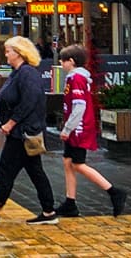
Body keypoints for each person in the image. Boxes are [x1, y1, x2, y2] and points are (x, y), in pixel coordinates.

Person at [0, 37, 59, 225]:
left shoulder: (27, 73)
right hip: (23, 132)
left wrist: (11, 123)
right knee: (35, 171)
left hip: (22, 133)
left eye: (9, 51)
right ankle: (49, 211)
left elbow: (29, 101)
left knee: (6, 170)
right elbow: (12, 96)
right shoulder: (17, 73)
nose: (6, 54)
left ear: (18, 53)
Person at [52, 45, 126, 217]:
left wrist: (68, 128)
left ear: (71, 61)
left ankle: (114, 191)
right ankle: (70, 202)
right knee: (68, 161)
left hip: (78, 128)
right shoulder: (74, 78)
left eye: (63, 61)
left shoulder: (76, 78)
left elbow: (79, 106)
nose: (61, 64)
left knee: (78, 163)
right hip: (76, 126)